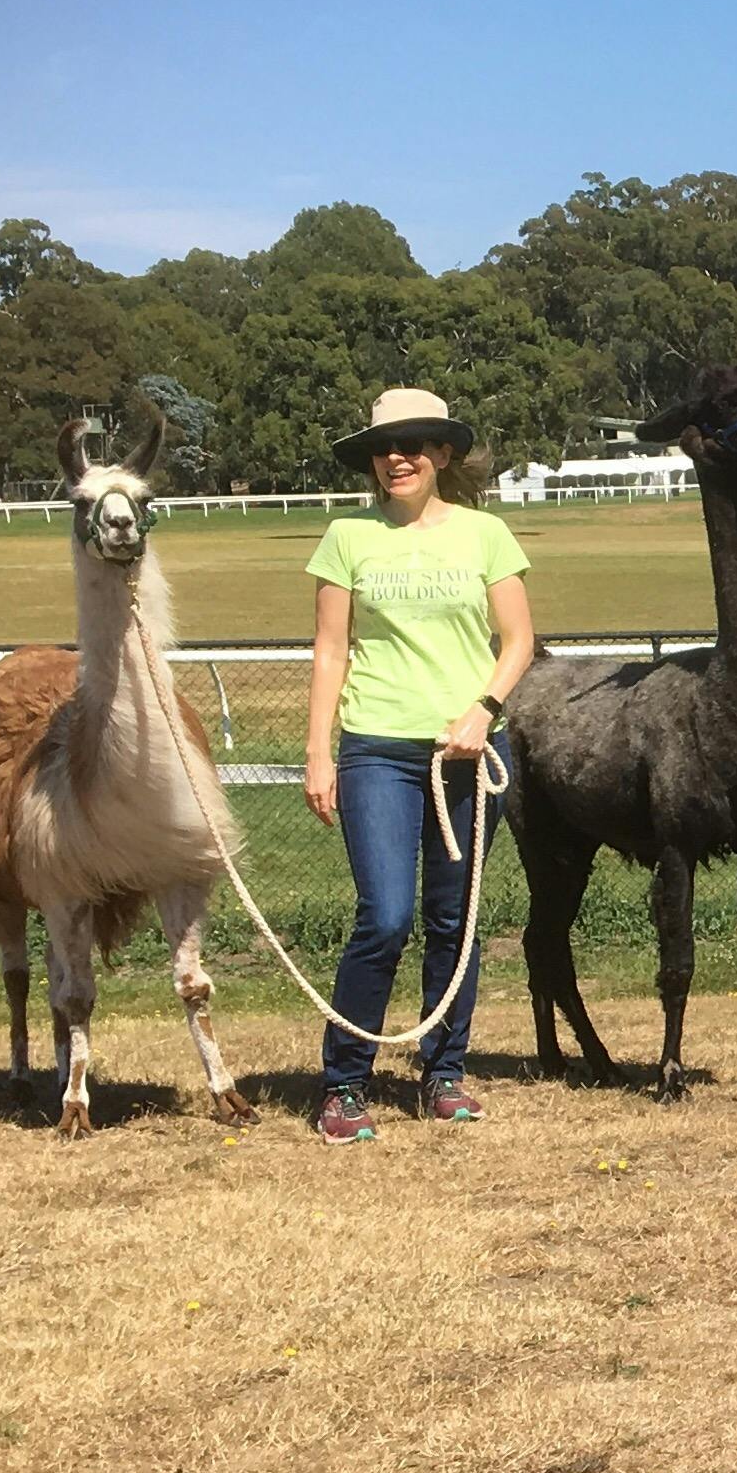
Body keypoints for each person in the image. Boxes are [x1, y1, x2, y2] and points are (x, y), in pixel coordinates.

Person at [302, 386, 534, 1143]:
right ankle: (344, 1083)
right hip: (377, 748)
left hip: (469, 753)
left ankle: (443, 1073)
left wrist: (484, 712)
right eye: (383, 447)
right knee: (386, 916)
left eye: (412, 445)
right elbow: (330, 651)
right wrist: (318, 753)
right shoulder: (347, 538)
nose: (396, 458)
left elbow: (518, 643)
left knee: (453, 919)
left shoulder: (486, 535)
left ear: (439, 455)